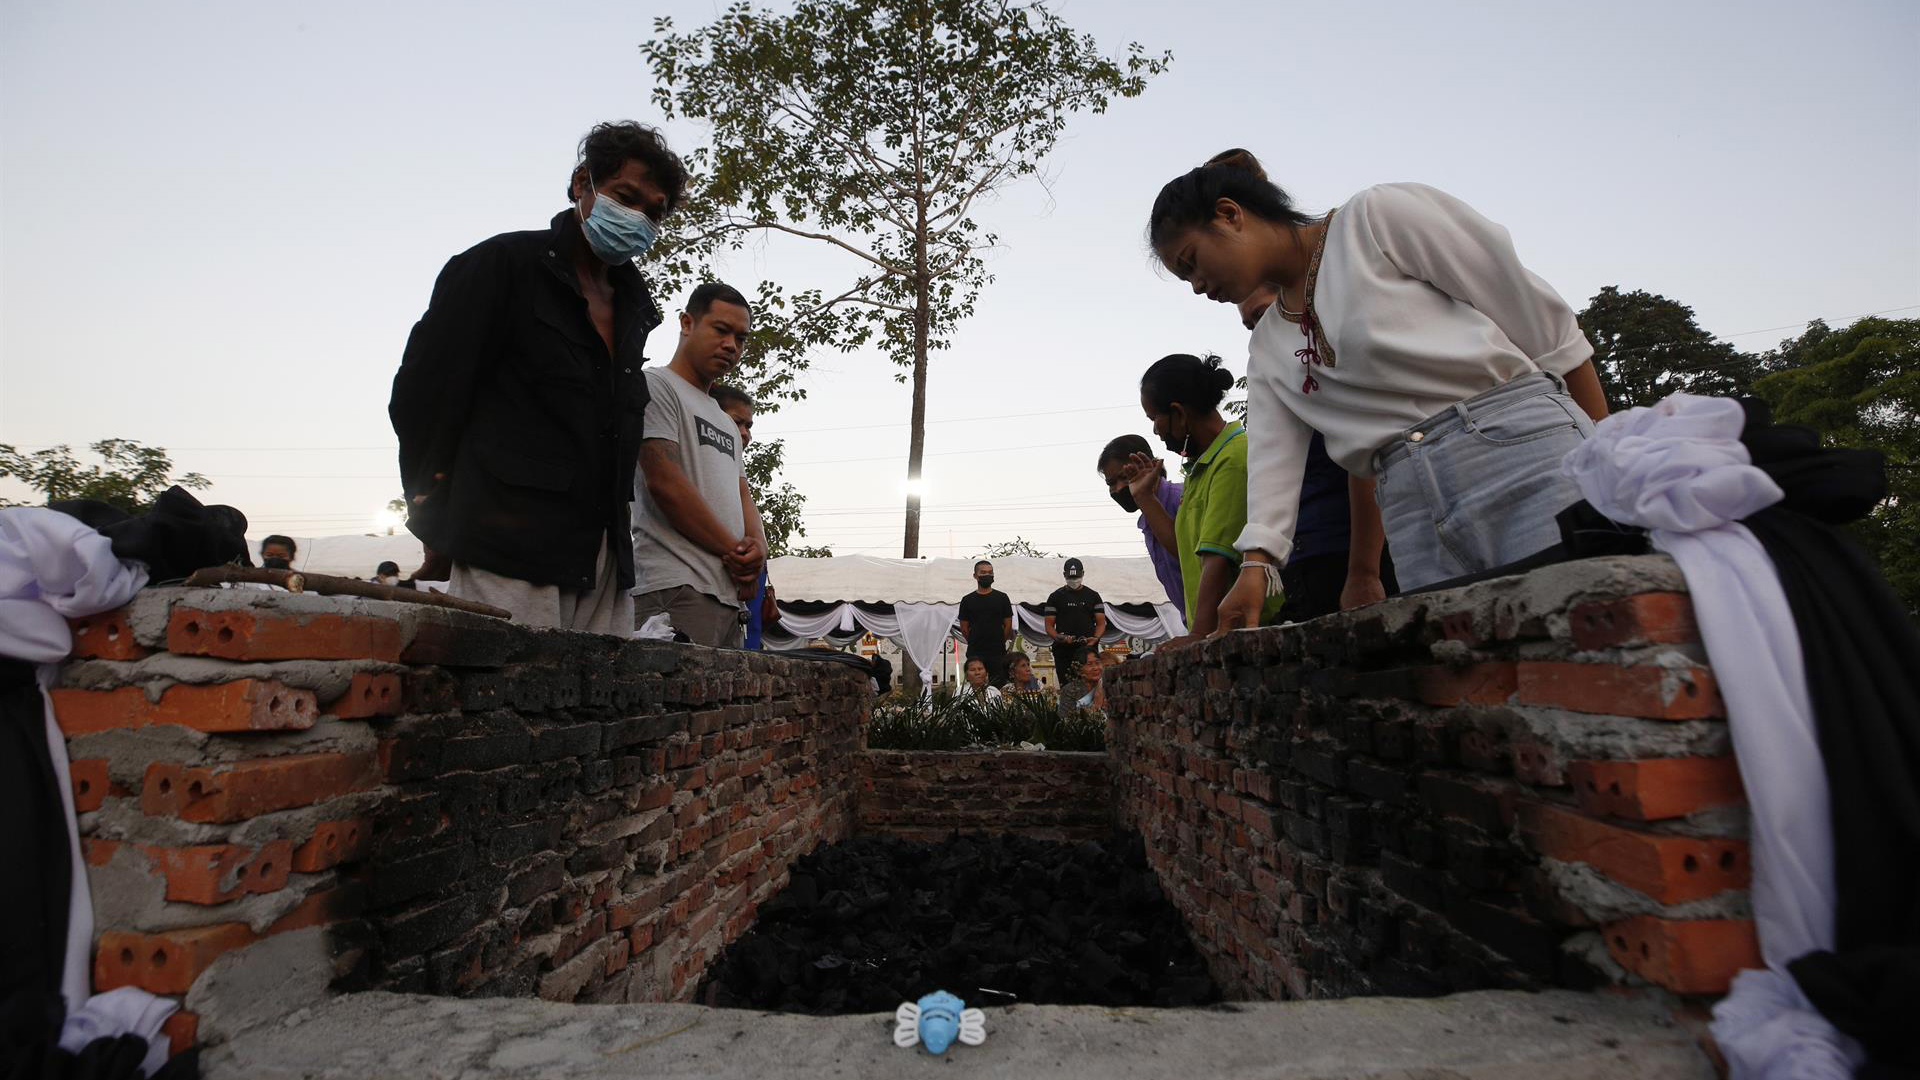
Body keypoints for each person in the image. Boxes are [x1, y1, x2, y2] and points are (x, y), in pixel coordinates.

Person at [1147, 153, 1609, 630]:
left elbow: (1550, 332)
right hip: (1407, 506)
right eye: (1186, 280)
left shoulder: (1376, 220)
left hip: (1515, 451)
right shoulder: (1267, 349)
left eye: (1192, 263)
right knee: (1473, 676)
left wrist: (1615, 465)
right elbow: (1272, 462)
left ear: (1229, 214)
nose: (1198, 286)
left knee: (1597, 626)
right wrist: (1256, 566)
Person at [390, 121, 687, 632]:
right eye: (625, 196)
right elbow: (424, 396)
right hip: (509, 546)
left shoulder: (635, 308)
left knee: (600, 708)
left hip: (602, 560)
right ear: (581, 184)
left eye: (652, 211)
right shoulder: (500, 266)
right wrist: (435, 518)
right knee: (503, 695)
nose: (637, 217)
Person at [1235, 287, 1398, 621]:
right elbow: (1274, 478)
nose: (1262, 328)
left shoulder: (1337, 355)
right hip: (1305, 557)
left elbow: (1366, 463)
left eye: (1264, 313)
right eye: (1251, 325)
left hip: (1355, 553)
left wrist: (1363, 572)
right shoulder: (1278, 374)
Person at [632, 283, 767, 648]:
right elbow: (665, 483)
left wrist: (758, 549)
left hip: (726, 595)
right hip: (675, 587)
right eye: (721, 330)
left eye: (740, 338)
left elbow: (742, 494)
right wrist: (738, 554)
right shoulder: (656, 385)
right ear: (688, 323)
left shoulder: (723, 419)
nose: (731, 346)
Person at [1137, 354, 1281, 646]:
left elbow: (1219, 557)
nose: (1154, 430)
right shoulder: (1201, 466)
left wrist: (1198, 635)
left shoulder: (1232, 458)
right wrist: (1145, 498)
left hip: (1246, 634)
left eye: (1155, 418)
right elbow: (1186, 550)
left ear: (1178, 413)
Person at [711, 383, 773, 649]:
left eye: (749, 426)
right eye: (738, 423)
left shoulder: (736, 471)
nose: (745, 434)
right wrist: (740, 555)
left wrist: (758, 553)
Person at [1096, 435, 1184, 610]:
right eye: (1111, 483)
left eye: (1126, 476)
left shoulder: (1182, 499)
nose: (1119, 488)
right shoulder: (1146, 522)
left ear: (1152, 466)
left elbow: (1189, 557)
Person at [1044, 557, 1105, 678]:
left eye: (1076, 577)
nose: (1074, 581)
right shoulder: (1055, 597)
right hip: (1064, 651)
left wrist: (1095, 638)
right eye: (1071, 578)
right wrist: (1059, 637)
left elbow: (1101, 623)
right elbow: (1049, 626)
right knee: (1067, 683)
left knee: (1089, 682)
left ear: (1083, 574)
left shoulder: (1093, 596)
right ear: (1064, 575)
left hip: (1088, 650)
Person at [956, 560, 1013, 684]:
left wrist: (999, 640)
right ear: (975, 576)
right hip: (975, 652)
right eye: (983, 572)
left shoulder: (1002, 598)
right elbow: (964, 628)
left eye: (990, 572)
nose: (987, 575)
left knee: (998, 685)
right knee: (976, 685)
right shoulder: (967, 600)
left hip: (998, 652)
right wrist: (974, 640)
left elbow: (1008, 624)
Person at [1057, 652, 1107, 718]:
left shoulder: (1109, 686)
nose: (1095, 668)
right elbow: (1065, 721)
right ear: (1079, 670)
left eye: (1098, 663)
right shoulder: (1070, 690)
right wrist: (1096, 705)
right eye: (1089, 664)